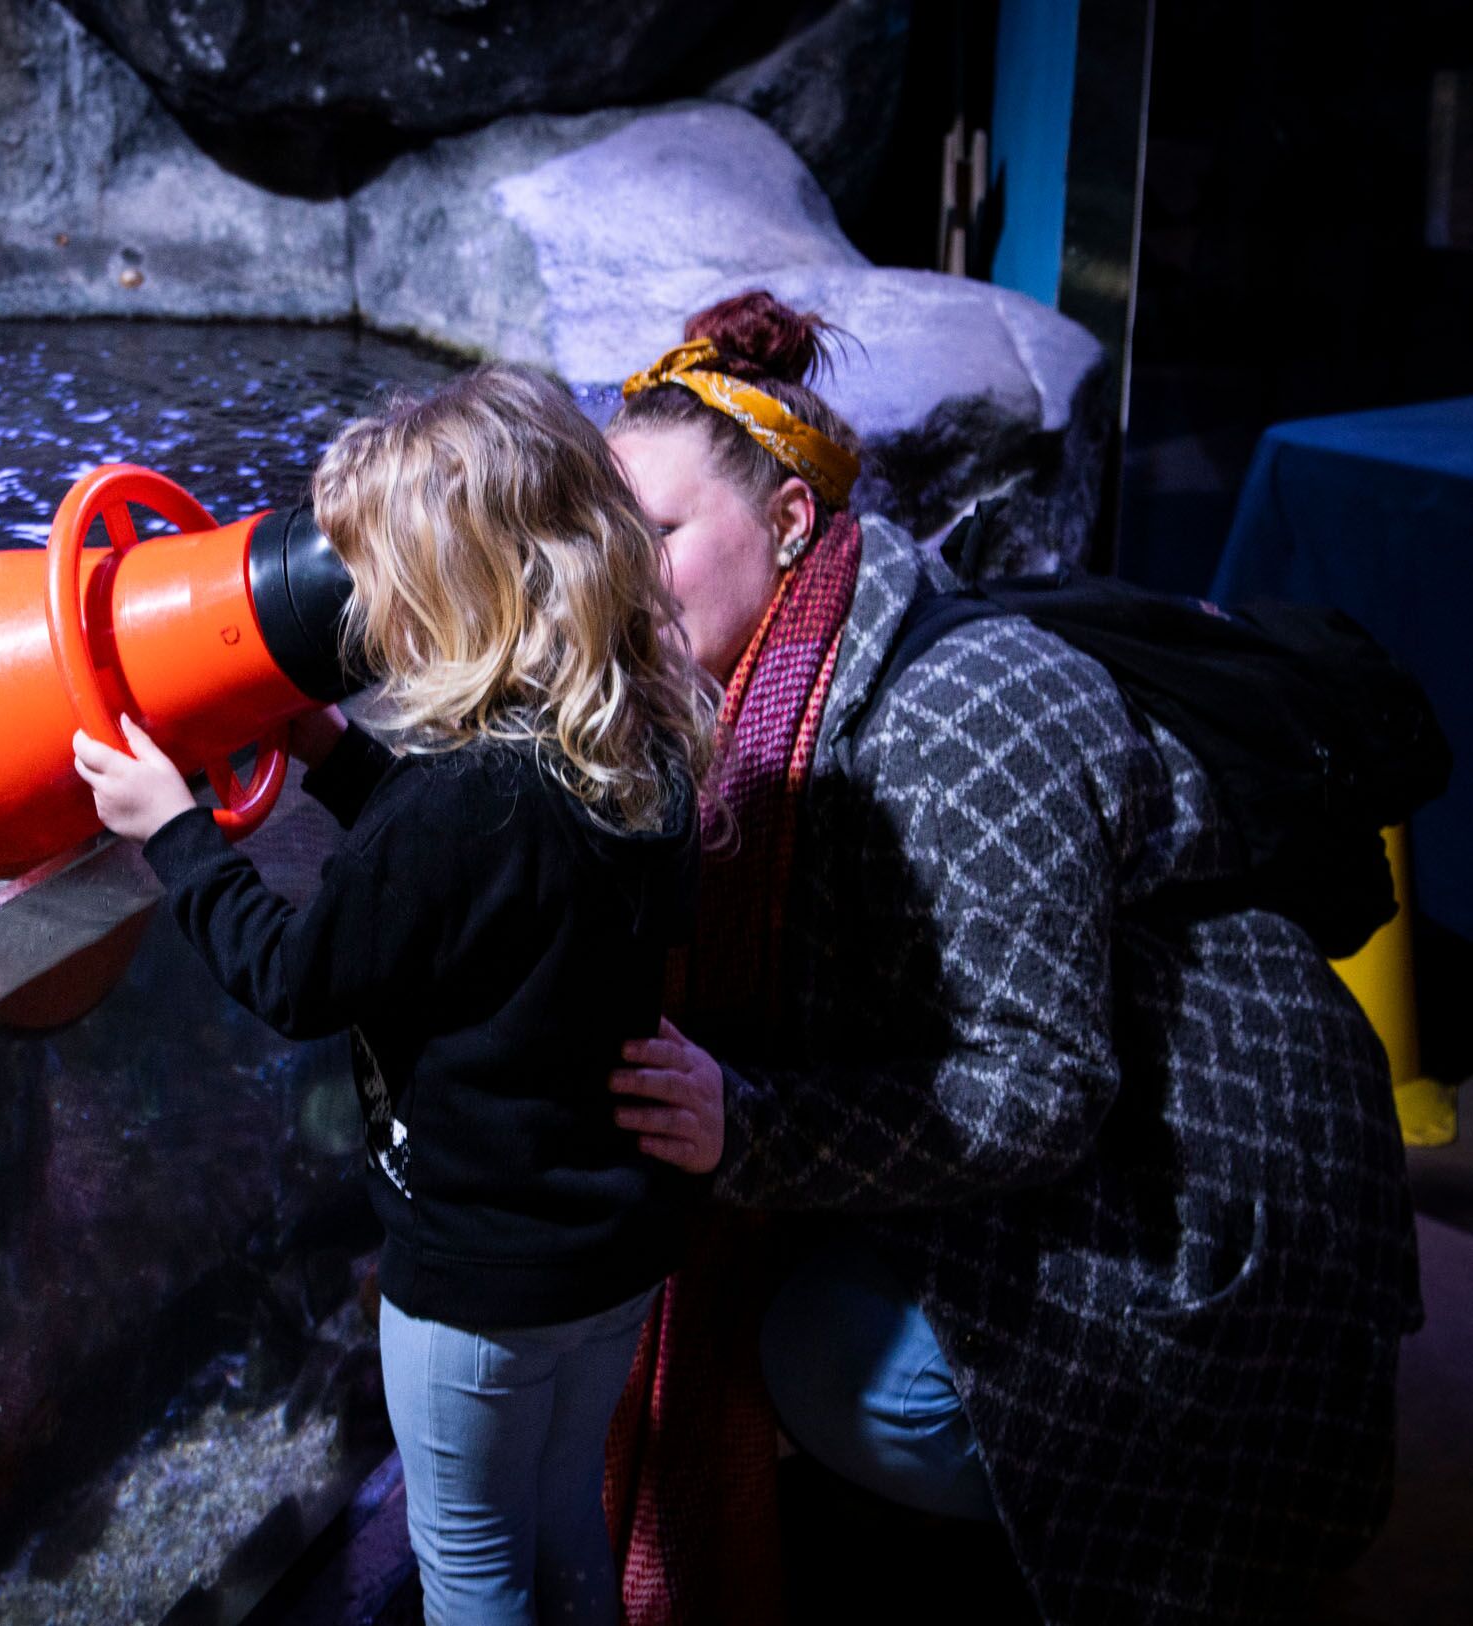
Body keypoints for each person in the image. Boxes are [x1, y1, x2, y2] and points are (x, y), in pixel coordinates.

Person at [600, 290, 1422, 1624]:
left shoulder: (954, 723)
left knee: (821, 1359)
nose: (617, 582)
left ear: (791, 523)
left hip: (1204, 1190)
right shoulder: (775, 691)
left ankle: (1149, 1517)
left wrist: (746, 1127)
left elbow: (1040, 1087)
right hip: (1110, 1136)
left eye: (657, 537)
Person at [73, 363, 716, 1625]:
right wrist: (328, 754)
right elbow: (484, 892)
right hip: (612, 1256)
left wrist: (175, 833)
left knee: (469, 1563)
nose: (363, 606)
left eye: (383, 577)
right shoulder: (635, 743)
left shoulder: (456, 804)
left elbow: (298, 977)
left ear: (456, 590)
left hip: (476, 1283)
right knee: (564, 1521)